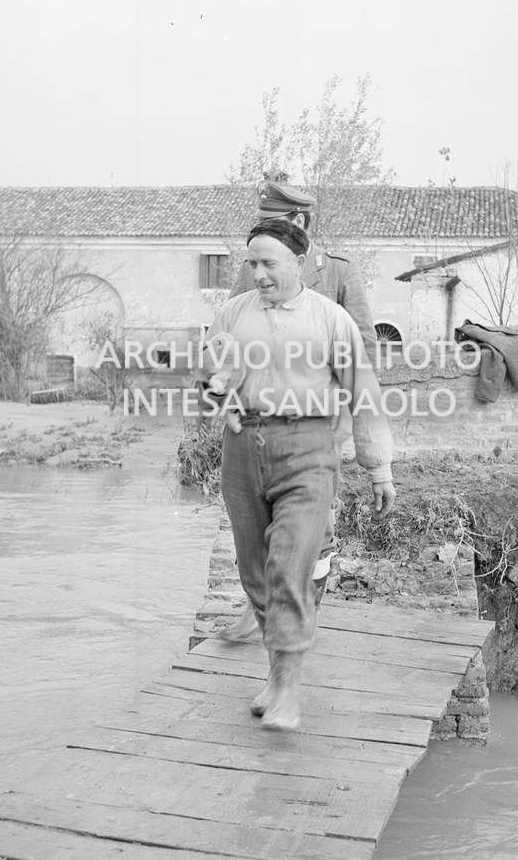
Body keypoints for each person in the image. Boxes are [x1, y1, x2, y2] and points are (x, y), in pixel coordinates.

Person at [204, 217, 396, 731]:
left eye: (269, 263)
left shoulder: (331, 320)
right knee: (255, 572)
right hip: (243, 450)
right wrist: (219, 395)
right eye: (252, 264)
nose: (258, 274)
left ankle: (288, 690)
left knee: (289, 565)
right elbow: (211, 374)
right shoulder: (232, 313)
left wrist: (378, 468)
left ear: (299, 261)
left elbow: (364, 393)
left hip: (309, 449)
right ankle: (276, 675)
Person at [217, 177, 377, 641]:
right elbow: (227, 339)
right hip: (257, 425)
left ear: (300, 221)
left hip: (319, 423)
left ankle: (308, 608)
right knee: (256, 522)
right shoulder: (254, 272)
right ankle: (261, 609)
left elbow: (364, 347)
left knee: (317, 525)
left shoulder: (339, 273)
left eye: (277, 222)